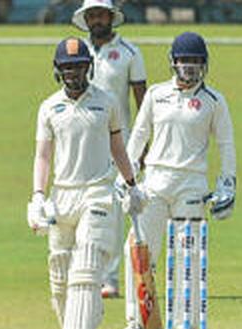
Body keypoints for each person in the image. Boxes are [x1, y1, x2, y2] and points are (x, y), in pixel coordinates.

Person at [28, 38, 143, 329]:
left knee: (87, 266)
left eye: (78, 67)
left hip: (98, 192)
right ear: (57, 70)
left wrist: (132, 185)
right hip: (62, 196)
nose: (73, 74)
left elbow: (118, 147)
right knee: (60, 278)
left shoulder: (106, 102)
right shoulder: (49, 107)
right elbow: (43, 155)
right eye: (67, 68)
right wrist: (37, 195)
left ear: (88, 68)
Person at [114, 32, 236, 329]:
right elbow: (139, 136)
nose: (190, 68)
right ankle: (138, 321)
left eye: (196, 62)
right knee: (139, 251)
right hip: (154, 181)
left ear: (204, 65)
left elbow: (226, 145)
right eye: (185, 61)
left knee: (188, 256)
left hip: (191, 184)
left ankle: (185, 325)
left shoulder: (214, 101)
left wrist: (227, 184)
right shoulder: (156, 95)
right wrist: (125, 176)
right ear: (173, 62)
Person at [70, 0, 148, 300]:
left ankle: (111, 278)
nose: (97, 20)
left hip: (120, 143)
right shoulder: (76, 51)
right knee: (81, 204)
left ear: (111, 17)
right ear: (86, 19)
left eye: (102, 14)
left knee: (114, 211)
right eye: (92, 15)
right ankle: (84, 272)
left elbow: (143, 104)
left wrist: (143, 147)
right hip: (82, 142)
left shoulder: (129, 53)